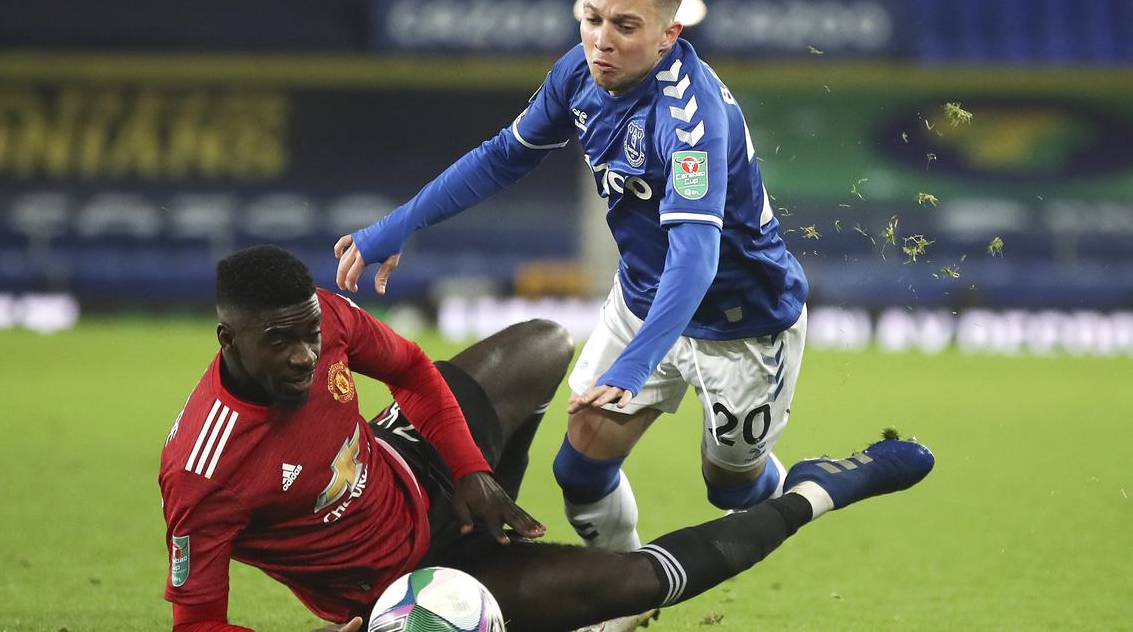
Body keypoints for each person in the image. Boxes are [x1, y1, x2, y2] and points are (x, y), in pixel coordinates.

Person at [334, 0, 809, 577]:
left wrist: (633, 367)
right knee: (578, 467)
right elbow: (503, 156)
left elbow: (695, 258)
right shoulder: (577, 74)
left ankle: (805, 487)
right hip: (644, 300)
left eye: (624, 24)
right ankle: (625, 593)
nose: (600, 39)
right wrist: (399, 224)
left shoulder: (689, 119)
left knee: (730, 489)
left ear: (668, 34)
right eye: (591, 17)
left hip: (741, 323)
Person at [160, 245, 934, 632]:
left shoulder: (326, 320)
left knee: (542, 342)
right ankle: (822, 486)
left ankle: (495, 501)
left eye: (308, 337)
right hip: (402, 591)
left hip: (418, 472)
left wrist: (468, 470)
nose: (304, 356)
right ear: (227, 337)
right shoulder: (205, 471)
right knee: (634, 587)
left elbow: (415, 376)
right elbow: (198, 624)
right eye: (280, 344)